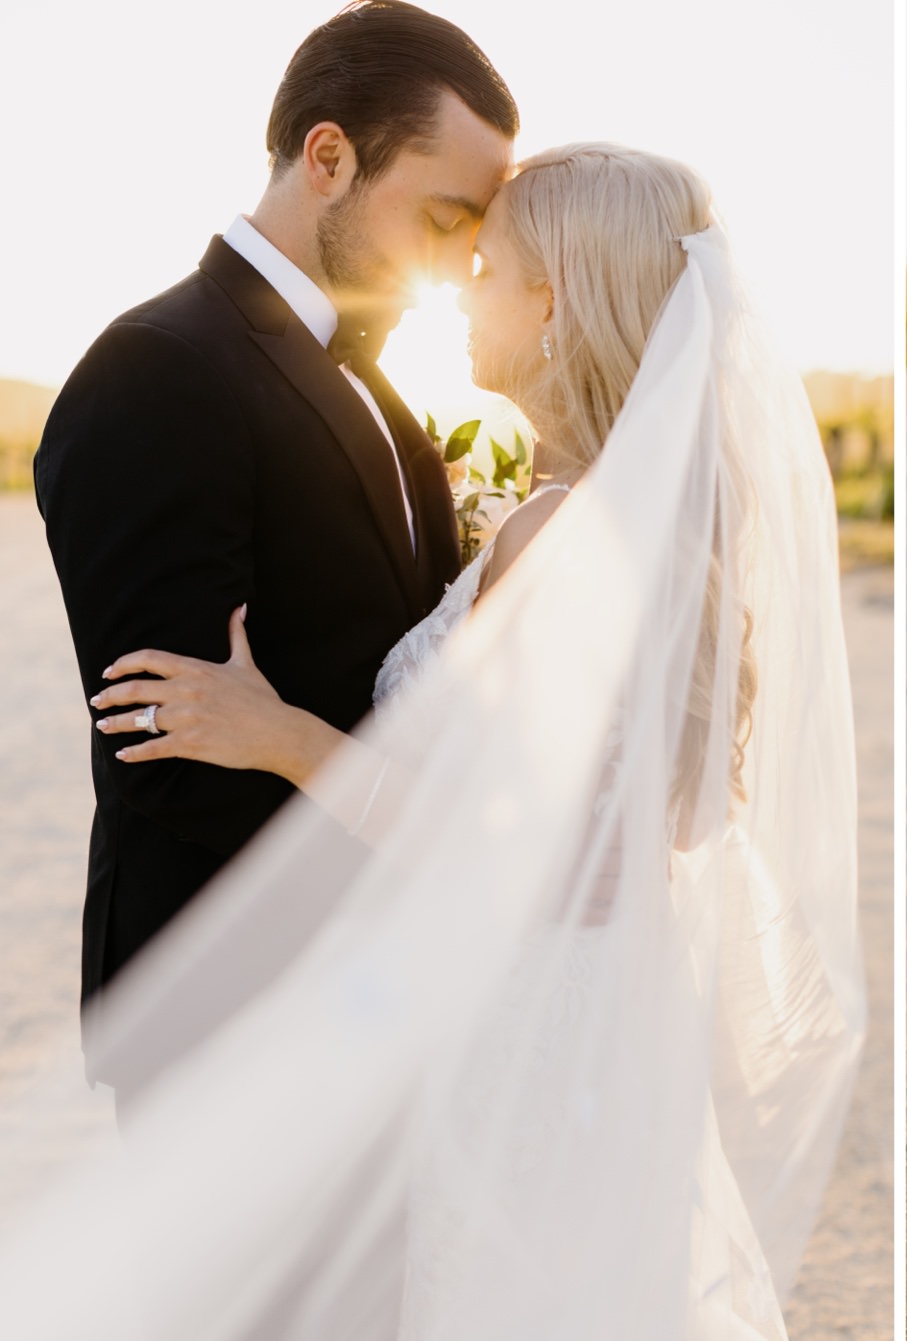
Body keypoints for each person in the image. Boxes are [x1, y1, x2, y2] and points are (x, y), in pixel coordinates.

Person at [7, 135, 862, 1341]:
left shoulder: (562, 532)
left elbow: (508, 840)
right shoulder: (632, 513)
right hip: (592, 1005)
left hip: (520, 1021)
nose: (460, 280)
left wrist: (280, 736)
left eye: (490, 262)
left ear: (554, 300)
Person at [33, 0, 516, 1073]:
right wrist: (428, 848)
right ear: (330, 157)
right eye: (442, 221)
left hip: (381, 1008)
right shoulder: (158, 368)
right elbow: (169, 751)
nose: (454, 266)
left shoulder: (383, 395)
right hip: (233, 1024)